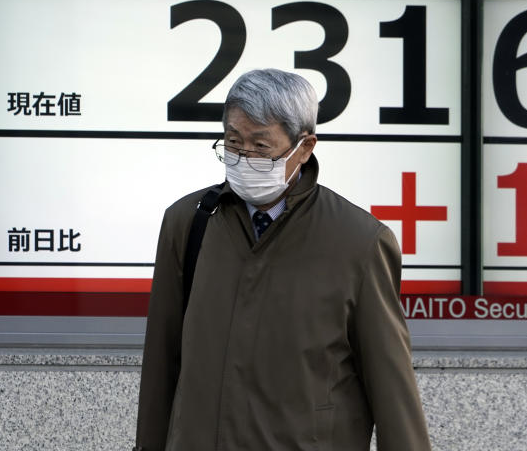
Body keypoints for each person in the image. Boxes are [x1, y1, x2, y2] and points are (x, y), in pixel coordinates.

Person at [134, 68, 431, 450]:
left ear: (304, 147)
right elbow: (162, 363)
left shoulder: (360, 243)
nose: (243, 159)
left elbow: (393, 391)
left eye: (260, 147)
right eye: (233, 142)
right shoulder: (189, 223)